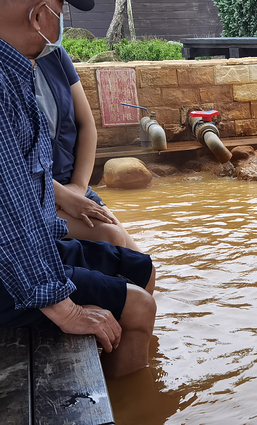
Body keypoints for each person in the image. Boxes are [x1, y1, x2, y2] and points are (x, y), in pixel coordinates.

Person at [0, 0, 156, 377]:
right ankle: (126, 422)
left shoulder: (18, 70)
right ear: (38, 15)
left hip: (34, 240)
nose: (60, 27)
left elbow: (23, 186)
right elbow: (8, 218)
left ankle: (132, 364)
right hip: (12, 270)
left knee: (142, 267)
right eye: (60, 11)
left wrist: (77, 195)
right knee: (139, 305)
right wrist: (66, 309)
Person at [36, 33, 141, 250]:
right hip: (33, 194)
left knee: (144, 270)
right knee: (109, 236)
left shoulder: (53, 52)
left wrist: (78, 187)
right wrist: (64, 196)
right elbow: (14, 162)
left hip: (73, 185)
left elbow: (86, 125)